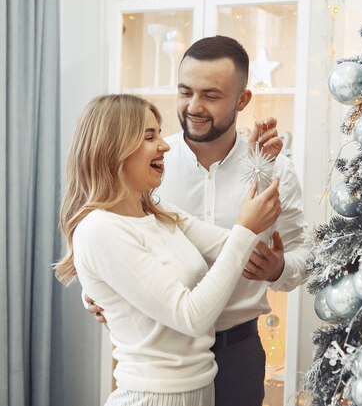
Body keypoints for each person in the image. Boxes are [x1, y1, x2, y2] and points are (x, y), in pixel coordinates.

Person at [87, 36, 309, 406]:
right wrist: (95, 292)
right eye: (185, 91)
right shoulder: (148, 165)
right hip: (162, 359)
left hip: (238, 351)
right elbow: (112, 237)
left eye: (211, 95)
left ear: (242, 101)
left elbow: (304, 257)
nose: (194, 106)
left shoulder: (274, 171)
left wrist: (278, 267)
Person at [56, 94, 282, 406]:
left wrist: (258, 167)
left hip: (202, 390)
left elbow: (247, 251)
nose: (165, 145)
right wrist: (245, 230)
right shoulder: (99, 229)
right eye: (150, 136)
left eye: (160, 133)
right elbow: (191, 317)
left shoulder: (159, 212)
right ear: (113, 148)